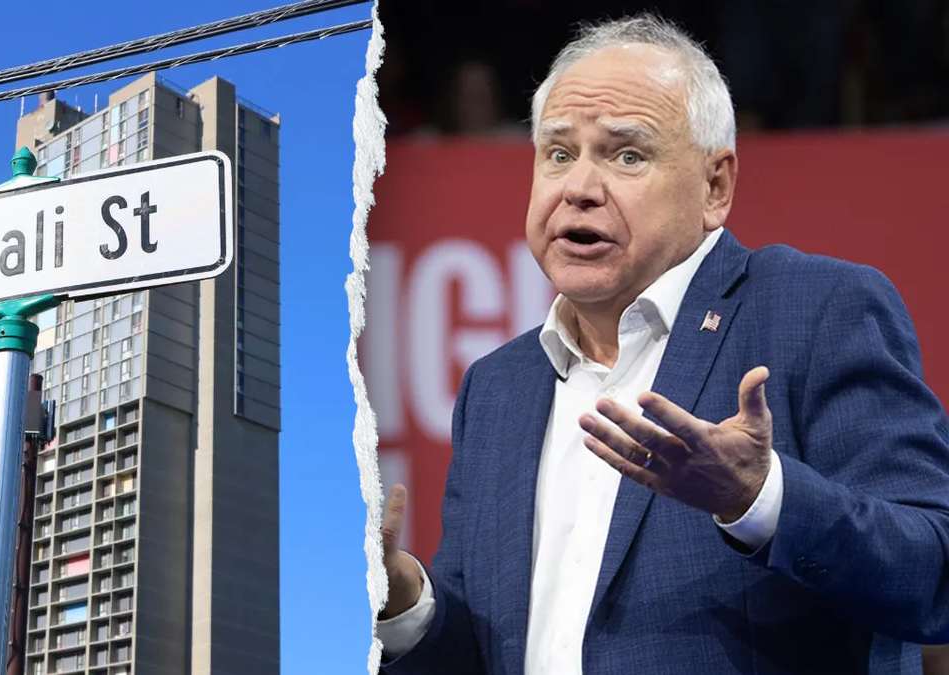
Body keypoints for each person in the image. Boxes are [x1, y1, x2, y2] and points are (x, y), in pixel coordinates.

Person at [375, 14, 949, 675]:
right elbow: (483, 654)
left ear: (715, 186)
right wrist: (407, 602)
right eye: (558, 154)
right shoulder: (497, 386)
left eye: (627, 155)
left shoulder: (814, 310)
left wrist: (760, 498)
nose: (580, 188)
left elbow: (931, 571)